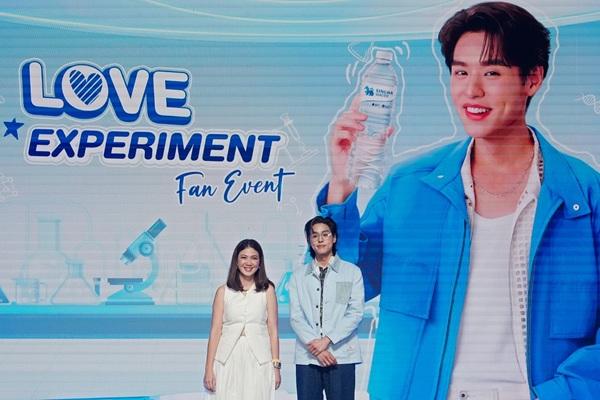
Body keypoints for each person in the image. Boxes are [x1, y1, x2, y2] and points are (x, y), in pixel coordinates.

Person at [318, 2, 600, 400]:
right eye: (461, 72)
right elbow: (339, 295)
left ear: (533, 79)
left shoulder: (585, 199)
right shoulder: (409, 188)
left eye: (492, 73)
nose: (472, 90)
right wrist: (341, 184)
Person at [289, 216, 365, 400]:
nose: (320, 240)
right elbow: (296, 317)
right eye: (315, 235)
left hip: (341, 355)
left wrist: (327, 340)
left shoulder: (351, 272)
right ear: (309, 240)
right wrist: (317, 347)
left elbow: (354, 313)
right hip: (308, 356)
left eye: (325, 234)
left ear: (334, 238)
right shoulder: (298, 276)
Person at [203, 239, 281, 399]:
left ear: (260, 262)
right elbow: (215, 331)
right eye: (244, 257)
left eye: (254, 258)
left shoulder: (268, 290)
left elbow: (273, 330)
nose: (248, 262)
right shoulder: (223, 292)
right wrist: (208, 369)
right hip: (227, 358)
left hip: (259, 360)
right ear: (236, 261)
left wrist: (276, 366)